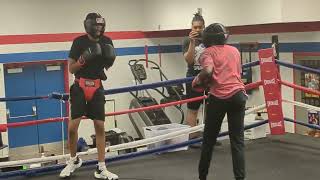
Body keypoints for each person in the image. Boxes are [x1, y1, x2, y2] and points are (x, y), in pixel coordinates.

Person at [59, 13, 118, 180]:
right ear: (89, 25)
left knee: (100, 126)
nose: (99, 28)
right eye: (96, 25)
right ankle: (73, 160)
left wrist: (110, 58)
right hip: (80, 86)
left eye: (101, 25)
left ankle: (101, 167)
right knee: (72, 127)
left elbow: (107, 66)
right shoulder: (79, 42)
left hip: (97, 86)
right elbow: (71, 68)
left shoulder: (107, 41)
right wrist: (83, 59)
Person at [192, 23, 247, 180]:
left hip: (219, 98)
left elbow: (208, 70)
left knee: (208, 141)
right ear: (224, 37)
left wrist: (197, 80)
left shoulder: (206, 53)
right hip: (238, 96)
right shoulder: (235, 51)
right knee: (237, 141)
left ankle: (202, 177)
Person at [182, 13, 221, 146]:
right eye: (195, 27)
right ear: (191, 27)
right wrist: (193, 42)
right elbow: (189, 60)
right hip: (193, 78)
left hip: (210, 77)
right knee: (193, 109)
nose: (197, 30)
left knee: (212, 108)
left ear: (204, 27)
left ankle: (211, 137)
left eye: (200, 27)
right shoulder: (187, 41)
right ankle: (193, 139)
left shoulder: (209, 41)